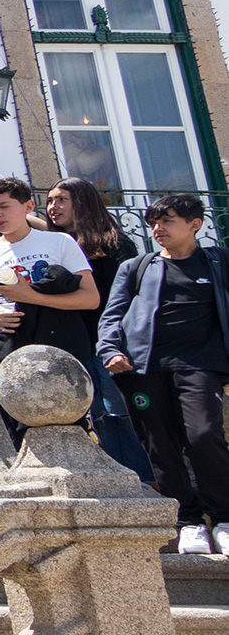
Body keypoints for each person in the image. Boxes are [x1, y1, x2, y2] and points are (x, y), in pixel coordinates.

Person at [98, 193, 229, 555]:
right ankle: (187, 522)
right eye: (154, 221)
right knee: (160, 446)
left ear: (195, 225)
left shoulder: (218, 263)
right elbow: (112, 315)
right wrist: (110, 350)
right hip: (141, 368)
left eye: (167, 220)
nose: (157, 228)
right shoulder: (137, 267)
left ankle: (222, 518)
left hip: (201, 364)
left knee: (204, 435)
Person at [0, 177, 100, 436]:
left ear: (28, 206)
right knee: (12, 434)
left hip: (56, 348)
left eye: (5, 206)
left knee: (69, 430)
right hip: (0, 351)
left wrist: (28, 295)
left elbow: (91, 299)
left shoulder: (60, 243)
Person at [46, 176, 153, 482]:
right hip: (74, 344)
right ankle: (120, 481)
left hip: (112, 344)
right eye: (50, 200)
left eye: (62, 199)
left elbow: (133, 298)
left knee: (121, 414)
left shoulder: (114, 243)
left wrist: (119, 342)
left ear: (82, 202)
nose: (53, 207)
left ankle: (145, 482)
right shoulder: (55, 247)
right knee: (99, 417)